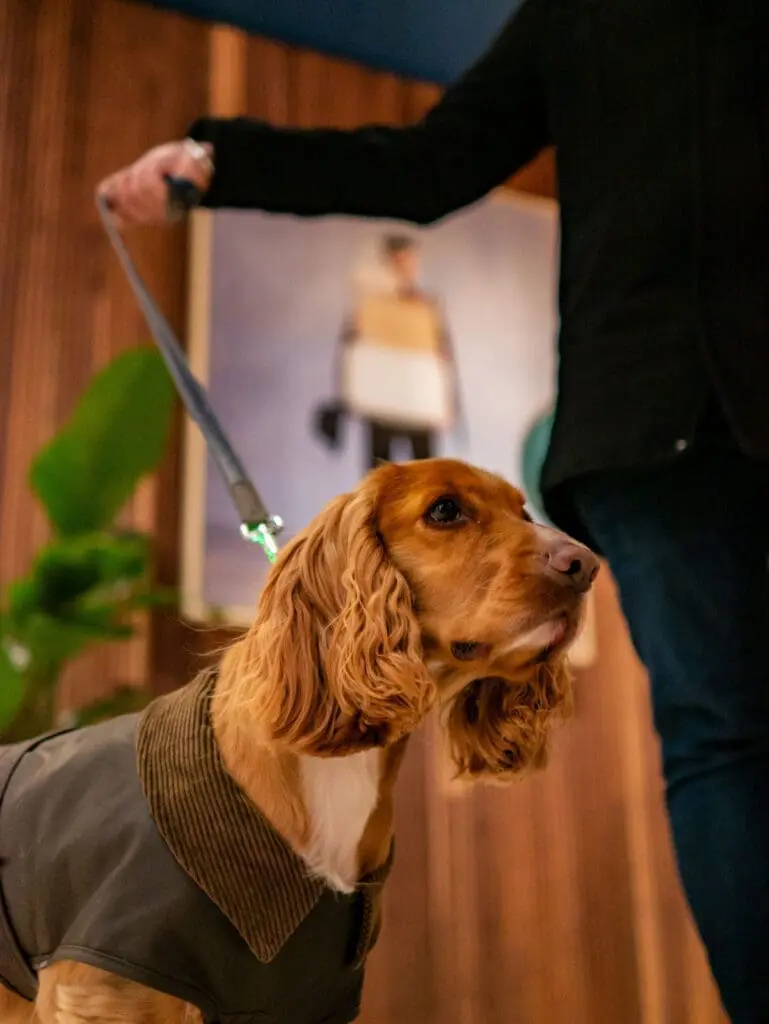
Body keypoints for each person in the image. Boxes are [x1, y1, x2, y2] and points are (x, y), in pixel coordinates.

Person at [98, 2, 769, 1019]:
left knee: (721, 737)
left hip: (653, 420)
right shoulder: (572, 16)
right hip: (649, 428)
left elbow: (426, 164)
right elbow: (432, 161)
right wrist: (224, 162)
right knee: (721, 735)